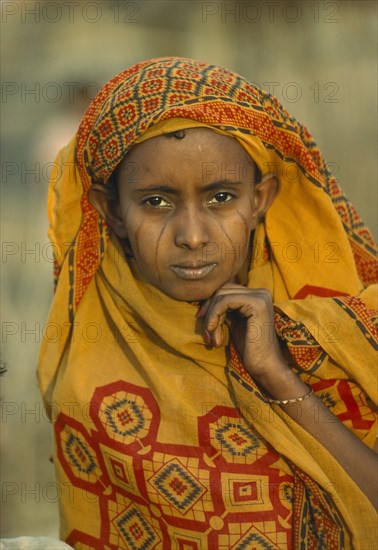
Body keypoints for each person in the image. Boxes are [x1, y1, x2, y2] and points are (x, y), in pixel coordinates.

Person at [38, 57, 377, 550]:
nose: (193, 236)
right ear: (110, 210)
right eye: (156, 202)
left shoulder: (347, 333)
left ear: (260, 198)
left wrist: (279, 377)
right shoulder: (93, 381)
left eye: (221, 197)